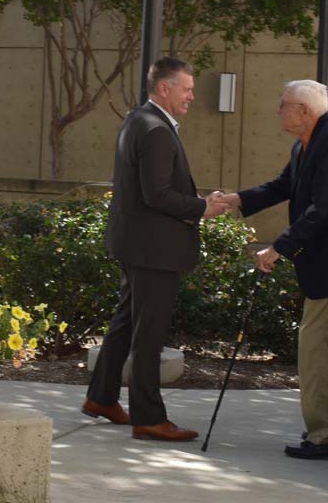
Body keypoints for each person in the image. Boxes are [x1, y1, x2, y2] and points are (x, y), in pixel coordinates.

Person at [215, 80, 328, 460]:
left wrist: (278, 248)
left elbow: (322, 209)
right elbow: (284, 185)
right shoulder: (307, 142)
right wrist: (237, 199)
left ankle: (326, 438)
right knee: (327, 353)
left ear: (304, 110)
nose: (278, 111)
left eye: (283, 104)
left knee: (318, 352)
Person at [81, 57, 229, 442]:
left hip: (137, 245)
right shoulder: (156, 129)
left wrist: (199, 202)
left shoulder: (138, 120)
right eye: (187, 89)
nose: (192, 96)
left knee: (126, 323)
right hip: (154, 251)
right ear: (164, 88)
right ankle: (148, 417)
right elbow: (158, 194)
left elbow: (152, 188)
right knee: (148, 334)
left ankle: (101, 397)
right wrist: (202, 208)